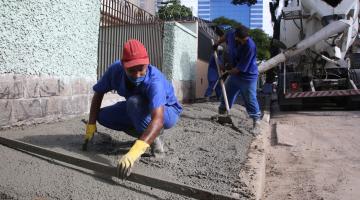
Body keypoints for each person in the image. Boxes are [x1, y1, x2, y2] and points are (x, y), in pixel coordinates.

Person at [84, 39, 183, 179]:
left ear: (147, 63)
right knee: (103, 116)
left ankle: (155, 140)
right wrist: (91, 125)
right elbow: (99, 92)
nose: (137, 74)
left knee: (134, 102)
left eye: (141, 69)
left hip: (167, 111)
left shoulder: (155, 81)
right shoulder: (115, 70)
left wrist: (134, 153)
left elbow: (158, 119)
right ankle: (145, 136)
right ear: (123, 65)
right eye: (131, 70)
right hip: (139, 108)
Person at [213, 25, 261, 130]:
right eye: (242, 40)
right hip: (235, 74)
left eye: (246, 39)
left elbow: (239, 69)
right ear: (236, 37)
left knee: (250, 98)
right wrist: (217, 43)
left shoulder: (250, 47)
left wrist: (227, 73)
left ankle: (256, 121)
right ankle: (223, 112)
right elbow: (225, 36)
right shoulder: (231, 35)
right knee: (227, 92)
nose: (244, 41)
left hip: (248, 76)